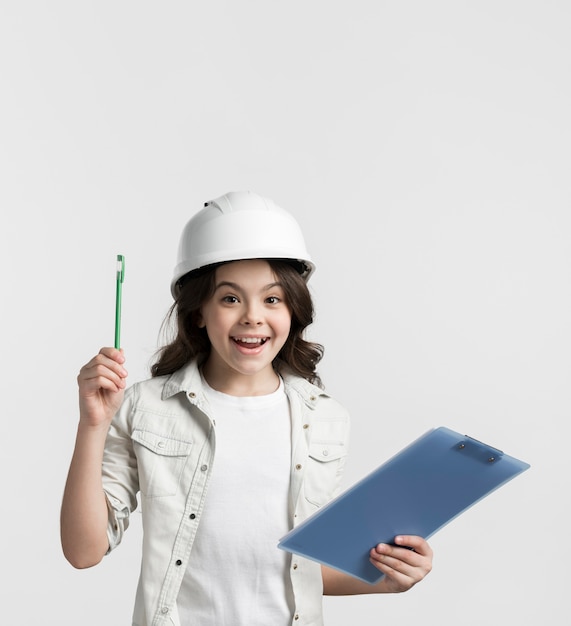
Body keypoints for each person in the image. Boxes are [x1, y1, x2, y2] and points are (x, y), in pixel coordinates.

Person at [60, 191, 433, 626]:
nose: (253, 317)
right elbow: (83, 551)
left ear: (293, 308)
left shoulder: (326, 419)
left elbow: (300, 569)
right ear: (198, 311)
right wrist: (93, 425)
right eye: (231, 298)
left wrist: (384, 578)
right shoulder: (145, 407)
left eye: (272, 299)